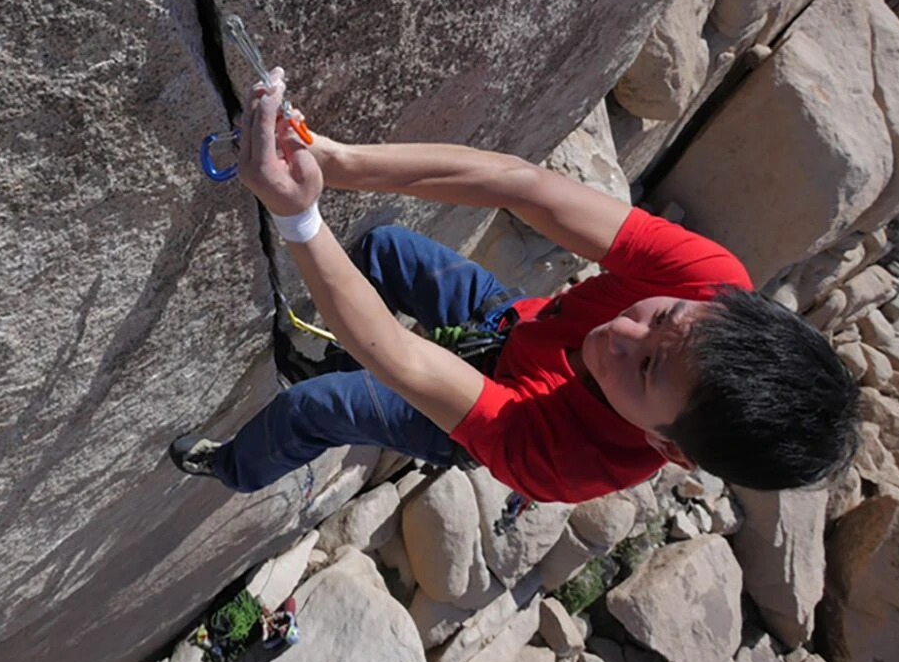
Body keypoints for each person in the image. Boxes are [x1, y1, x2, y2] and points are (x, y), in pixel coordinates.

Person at [171, 72, 859, 503]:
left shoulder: (567, 464)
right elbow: (521, 185)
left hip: (491, 410)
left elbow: (403, 361)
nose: (621, 331)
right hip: (511, 328)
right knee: (386, 249)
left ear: (669, 449)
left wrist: (298, 217)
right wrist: (337, 161)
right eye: (660, 318)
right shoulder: (712, 285)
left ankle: (234, 466)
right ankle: (328, 347)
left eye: (646, 367)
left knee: (315, 407)